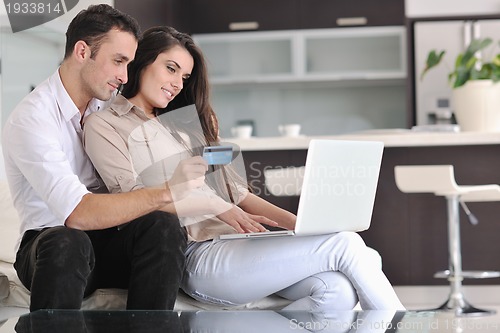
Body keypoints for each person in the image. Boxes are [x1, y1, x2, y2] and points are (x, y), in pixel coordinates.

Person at [83, 26, 405, 312]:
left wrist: (305, 226)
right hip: (200, 254)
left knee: (336, 289)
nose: (177, 84)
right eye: (171, 69)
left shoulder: (187, 125)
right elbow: (132, 200)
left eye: (184, 77)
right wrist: (214, 205)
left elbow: (239, 195)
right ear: (142, 61)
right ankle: (403, 327)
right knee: (345, 246)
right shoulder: (106, 124)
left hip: (242, 245)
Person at [2, 5, 208, 312]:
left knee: (163, 225)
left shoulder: (109, 105)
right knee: (69, 241)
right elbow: (77, 214)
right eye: (118, 61)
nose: (125, 76)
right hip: (50, 245)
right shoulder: (33, 118)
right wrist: (168, 191)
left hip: (109, 242)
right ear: (82, 51)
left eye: (129, 63)